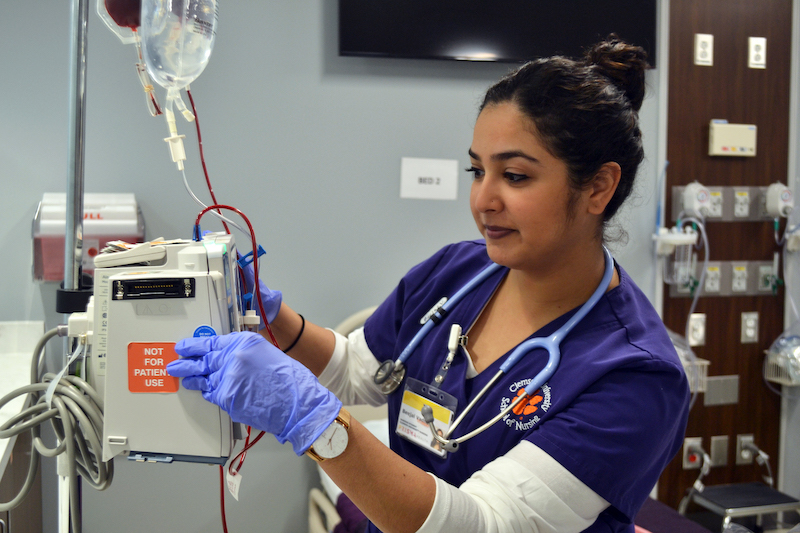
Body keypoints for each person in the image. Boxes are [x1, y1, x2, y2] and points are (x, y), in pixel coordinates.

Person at [167, 37, 690, 533]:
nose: (484, 200)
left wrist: (314, 422)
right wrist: (278, 321)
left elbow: (488, 523)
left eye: (515, 176)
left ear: (599, 187)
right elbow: (359, 372)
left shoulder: (637, 377)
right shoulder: (455, 273)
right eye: (477, 170)